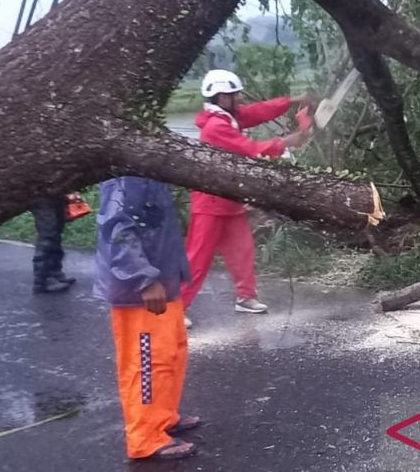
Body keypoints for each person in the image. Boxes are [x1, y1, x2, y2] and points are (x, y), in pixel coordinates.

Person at [180, 69, 312, 323]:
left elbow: (258, 111)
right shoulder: (216, 127)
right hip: (209, 203)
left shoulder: (229, 117)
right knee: (197, 258)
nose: (239, 99)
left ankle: (246, 297)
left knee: (243, 251)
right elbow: (250, 149)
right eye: (233, 95)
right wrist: (286, 142)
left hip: (229, 200)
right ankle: (177, 307)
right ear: (220, 98)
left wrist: (294, 100)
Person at [94, 176, 199, 461]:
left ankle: (163, 418)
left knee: (171, 354)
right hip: (140, 289)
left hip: (162, 280)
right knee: (146, 364)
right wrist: (143, 278)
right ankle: (144, 437)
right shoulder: (124, 178)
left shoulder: (146, 169)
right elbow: (117, 227)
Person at [29, 196, 76, 294]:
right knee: (48, 233)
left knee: (56, 230)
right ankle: (42, 280)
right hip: (40, 192)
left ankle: (55, 273)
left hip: (55, 192)